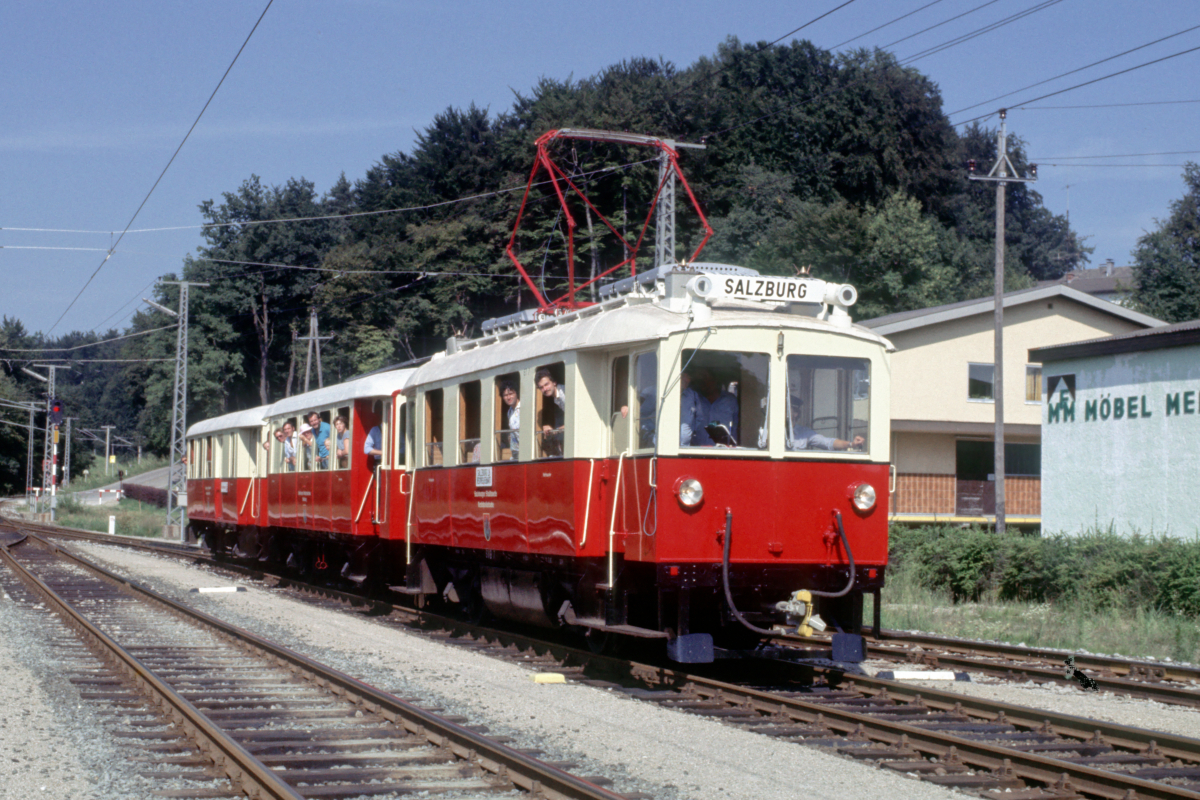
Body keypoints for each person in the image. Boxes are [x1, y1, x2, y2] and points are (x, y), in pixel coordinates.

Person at [788, 399, 864, 451]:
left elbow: (828, 442)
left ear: (795, 413)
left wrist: (851, 444)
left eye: (786, 409)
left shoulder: (804, 432)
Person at [535, 368, 565, 455]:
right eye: (541, 387)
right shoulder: (556, 398)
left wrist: (557, 430)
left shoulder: (564, 394)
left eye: (546, 384)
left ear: (554, 382)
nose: (545, 389)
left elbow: (577, 418)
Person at [679, 370, 707, 447]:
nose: (688, 380)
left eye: (689, 378)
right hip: (664, 446)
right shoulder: (659, 392)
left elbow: (699, 418)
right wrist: (652, 431)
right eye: (686, 377)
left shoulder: (692, 395)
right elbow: (644, 413)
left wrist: (690, 434)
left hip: (685, 447)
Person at [500, 382, 520, 460]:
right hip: (516, 452)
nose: (508, 397)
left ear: (516, 393)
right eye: (505, 395)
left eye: (511, 394)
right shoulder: (510, 411)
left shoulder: (524, 408)